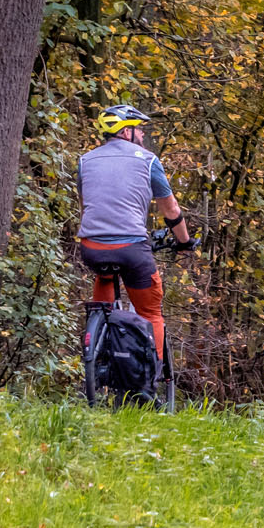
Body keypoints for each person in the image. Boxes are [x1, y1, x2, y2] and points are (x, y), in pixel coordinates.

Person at [77, 105, 194, 357]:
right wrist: (184, 241)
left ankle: (100, 343)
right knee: (150, 312)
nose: (141, 135)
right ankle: (151, 380)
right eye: (138, 129)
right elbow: (170, 208)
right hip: (130, 247)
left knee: (105, 279)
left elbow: (86, 205)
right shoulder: (148, 160)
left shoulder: (84, 161)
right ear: (125, 132)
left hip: (91, 247)